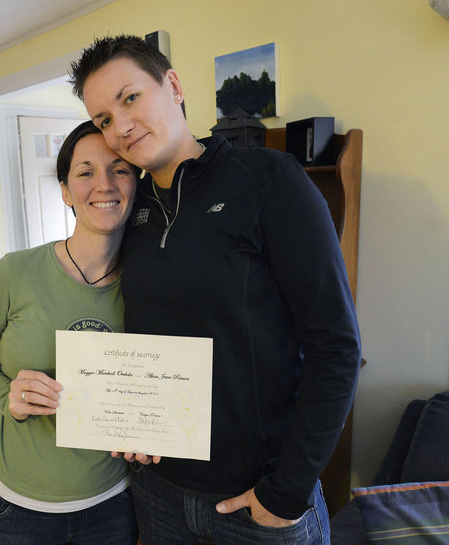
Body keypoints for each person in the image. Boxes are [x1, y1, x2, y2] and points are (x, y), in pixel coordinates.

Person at [69, 35, 361, 544]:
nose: (121, 127)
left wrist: (285, 492)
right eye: (103, 120)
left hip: (258, 502)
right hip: (158, 493)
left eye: (130, 98)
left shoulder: (267, 181)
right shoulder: (128, 214)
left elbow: (336, 345)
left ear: (174, 85)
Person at [0, 120, 140, 545]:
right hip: (16, 509)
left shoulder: (149, 285)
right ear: (66, 191)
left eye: (120, 169)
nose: (104, 184)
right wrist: (6, 396)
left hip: (114, 504)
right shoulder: (15, 273)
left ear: (136, 183)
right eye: (86, 172)